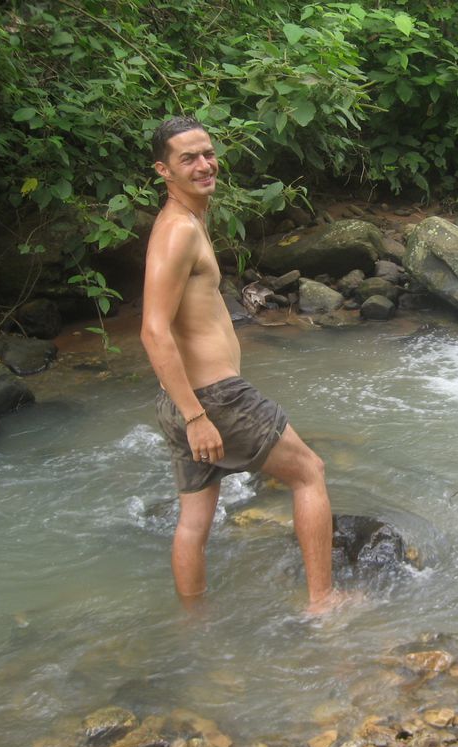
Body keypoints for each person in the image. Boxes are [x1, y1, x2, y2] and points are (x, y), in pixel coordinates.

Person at [141, 115, 336, 613]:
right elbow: (153, 330)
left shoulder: (190, 220)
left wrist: (186, 409)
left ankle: (194, 626)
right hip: (213, 400)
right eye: (188, 158)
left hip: (187, 397)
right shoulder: (176, 233)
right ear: (163, 170)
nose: (204, 165)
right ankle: (324, 604)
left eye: (207, 153)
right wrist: (196, 416)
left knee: (194, 519)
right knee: (309, 472)